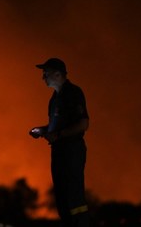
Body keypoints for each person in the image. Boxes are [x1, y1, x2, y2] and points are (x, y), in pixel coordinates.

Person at [29, 58, 90, 227]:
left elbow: (83, 124)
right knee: (62, 196)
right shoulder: (54, 99)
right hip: (59, 152)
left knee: (73, 196)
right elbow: (56, 126)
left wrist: (59, 134)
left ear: (57, 74)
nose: (43, 78)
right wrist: (43, 130)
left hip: (72, 151)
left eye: (45, 73)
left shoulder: (73, 93)